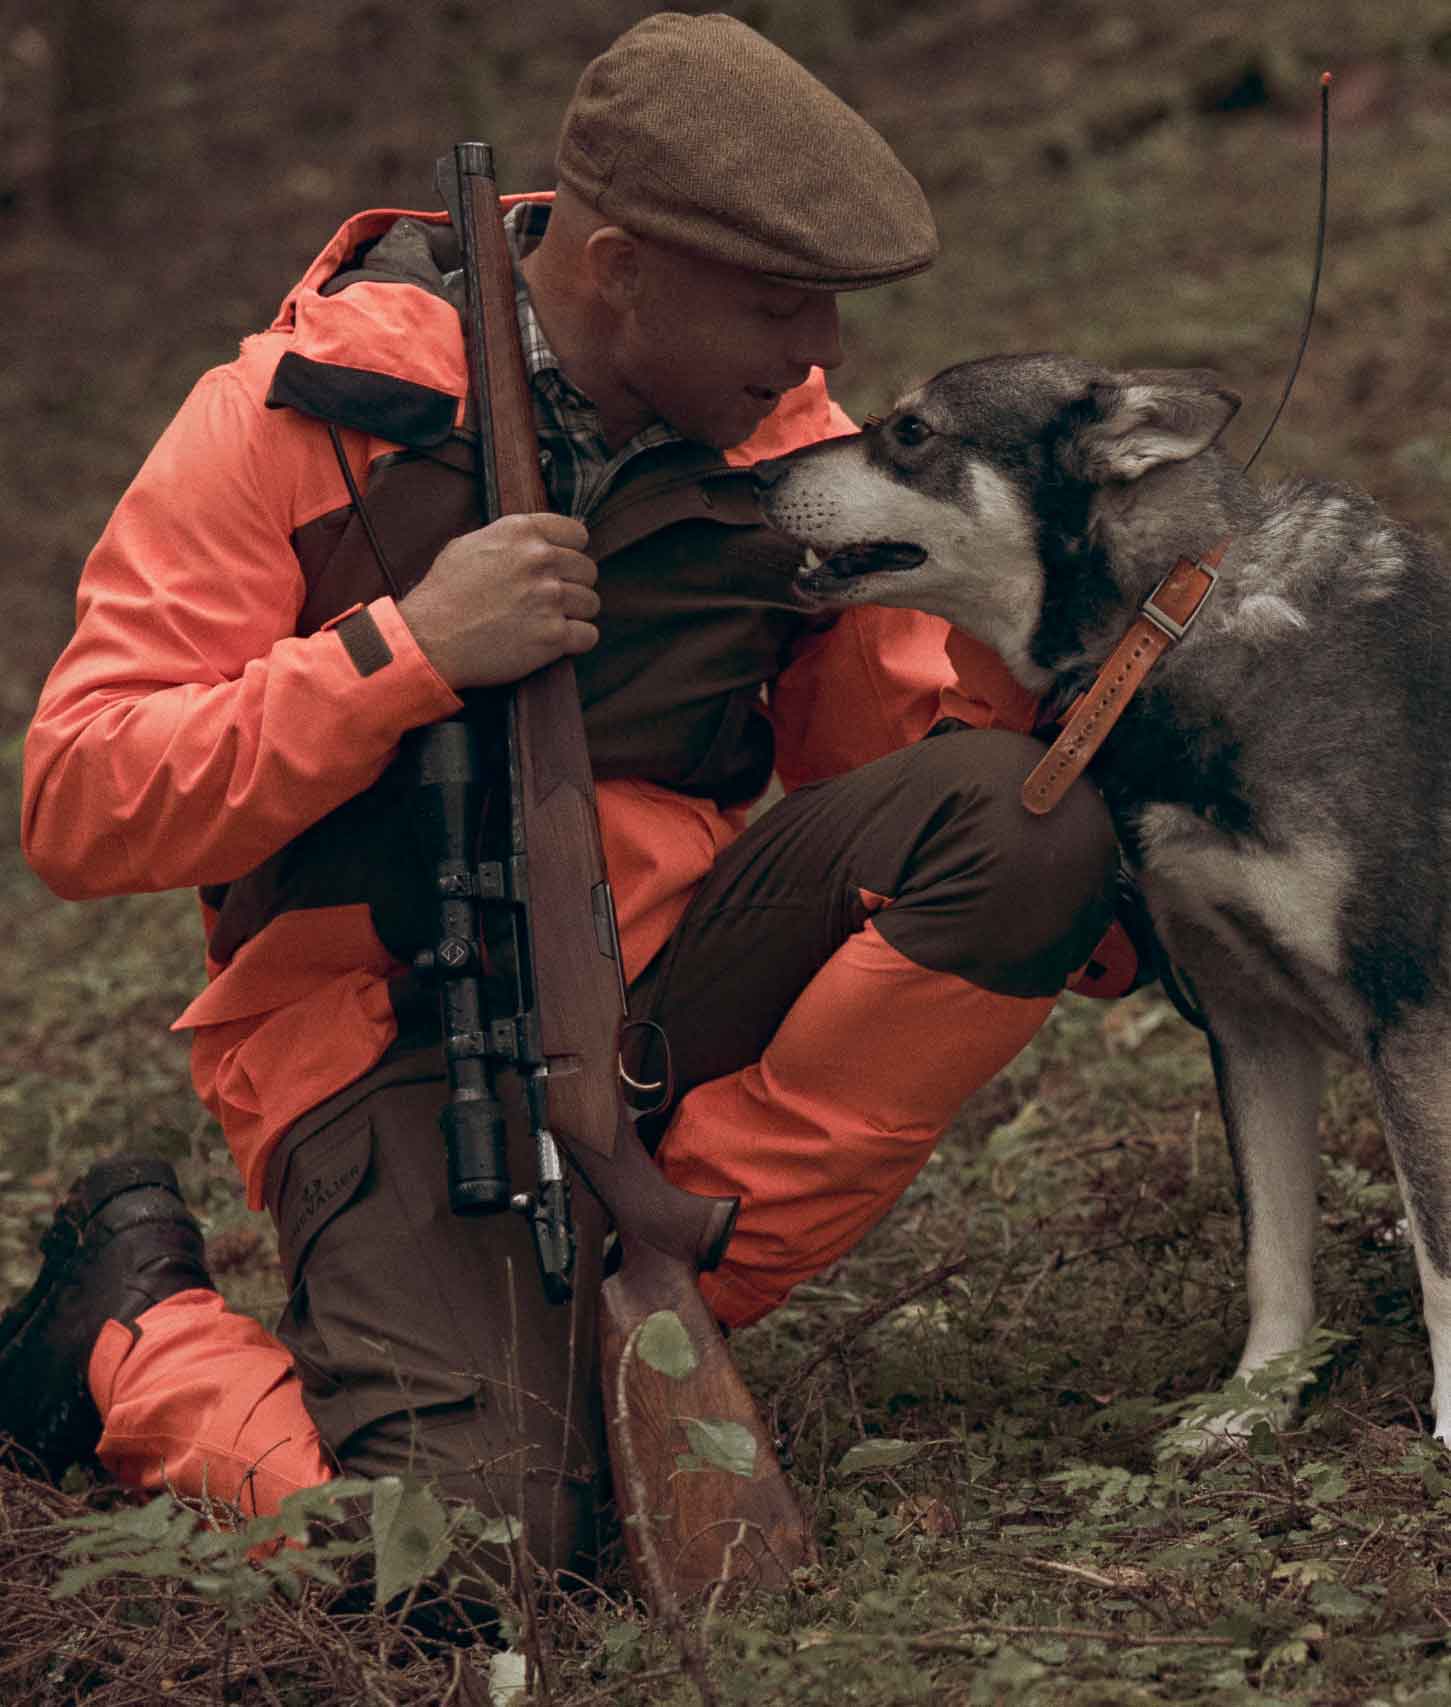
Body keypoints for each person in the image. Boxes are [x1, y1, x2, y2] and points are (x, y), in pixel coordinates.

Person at [3, 12, 1135, 1589]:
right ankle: (125, 1328)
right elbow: (77, 799)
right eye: (774, 300)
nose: (814, 353)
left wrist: (1054, 628)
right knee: (463, 1562)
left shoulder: (787, 458)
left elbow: (893, 780)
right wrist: (404, 652)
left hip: (667, 993)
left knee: (1025, 822)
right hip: (387, 1041)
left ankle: (668, 1284)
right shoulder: (295, 418)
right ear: (615, 268)